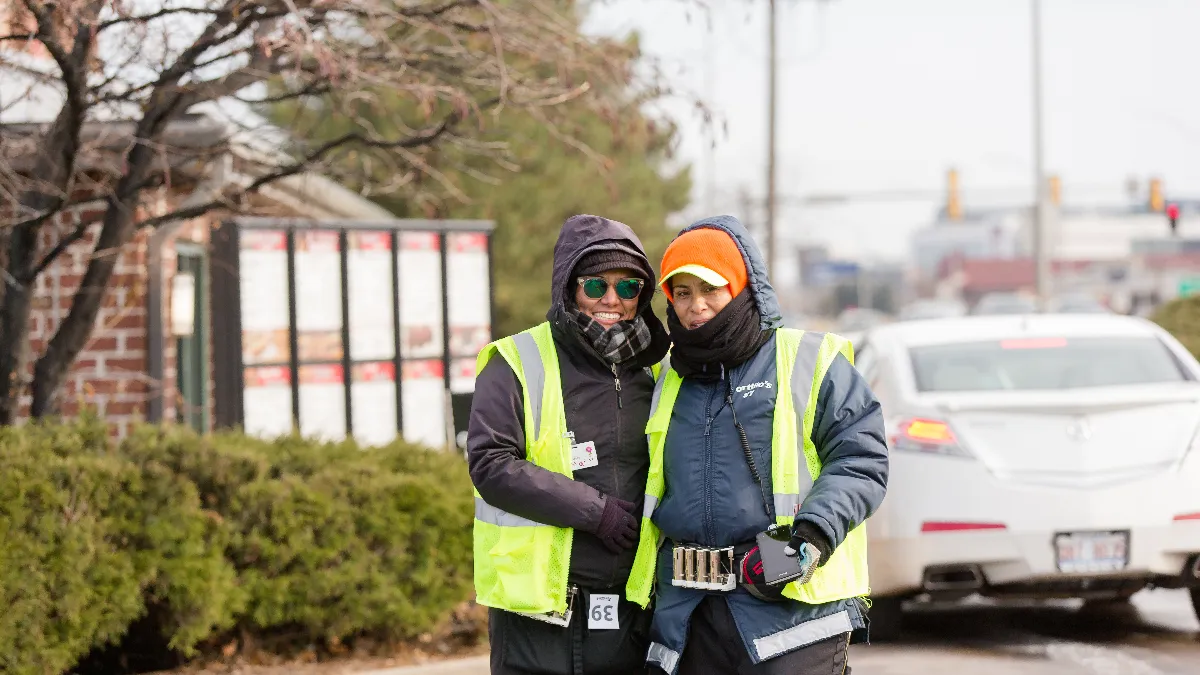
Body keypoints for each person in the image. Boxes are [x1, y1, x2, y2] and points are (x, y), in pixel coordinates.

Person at [629, 215, 890, 675]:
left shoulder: (808, 360)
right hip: (688, 621)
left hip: (789, 614)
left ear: (743, 287)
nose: (696, 306)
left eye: (711, 288)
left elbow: (861, 458)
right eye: (682, 293)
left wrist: (807, 539)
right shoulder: (666, 376)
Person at [467, 214, 671, 675]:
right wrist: (595, 512)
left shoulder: (661, 371)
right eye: (595, 286)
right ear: (568, 286)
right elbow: (491, 462)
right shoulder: (516, 361)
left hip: (632, 610)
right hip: (537, 616)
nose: (612, 301)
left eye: (629, 287)